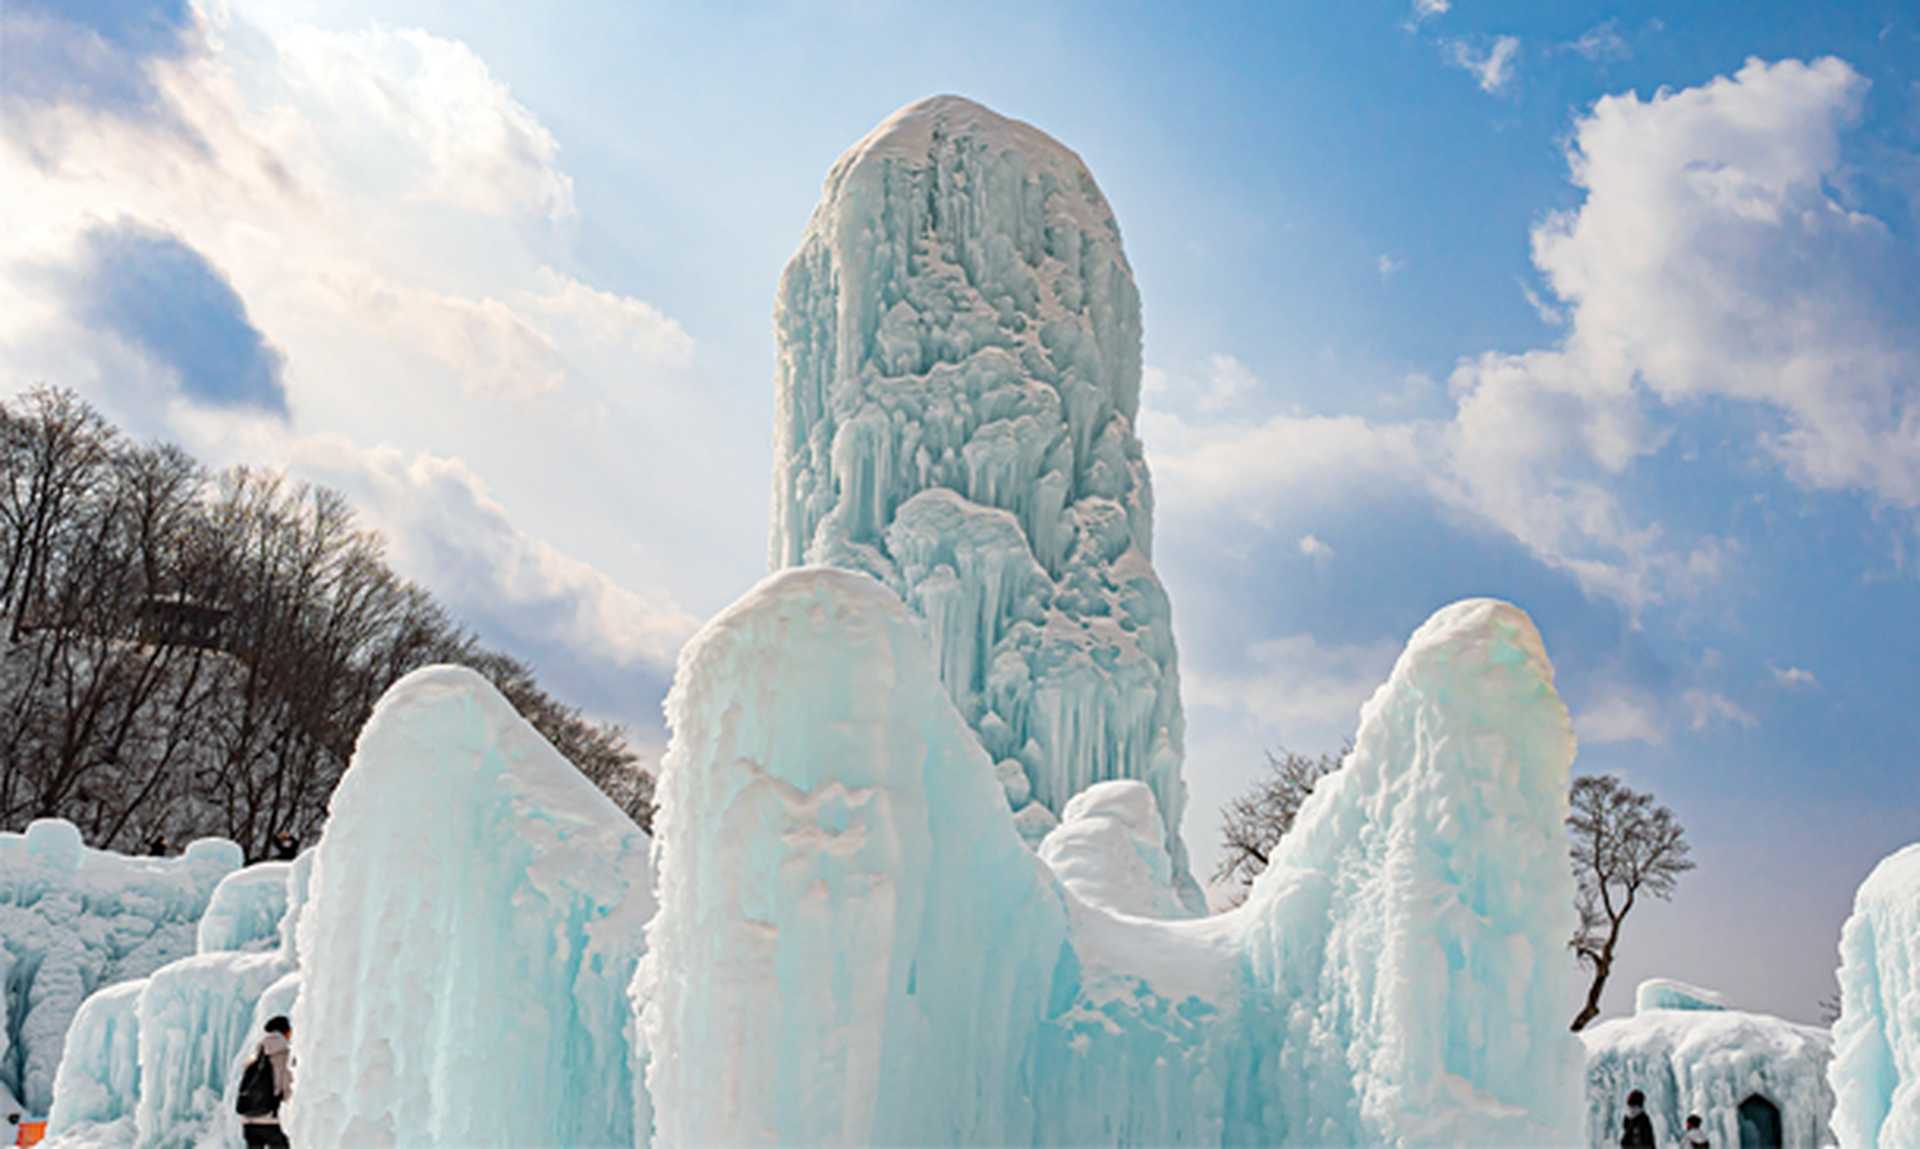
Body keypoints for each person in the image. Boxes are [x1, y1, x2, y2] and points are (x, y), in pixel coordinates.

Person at [238, 1015, 294, 1147]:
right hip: (273, 1122)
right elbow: (288, 1088)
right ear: (286, 1031)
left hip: (249, 1121)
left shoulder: (256, 1055)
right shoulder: (285, 1055)